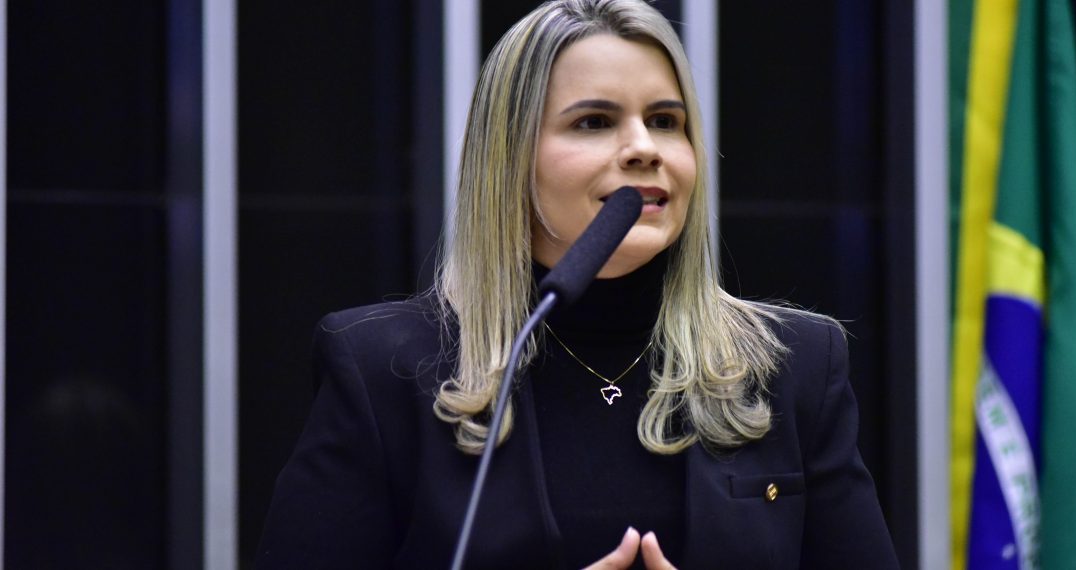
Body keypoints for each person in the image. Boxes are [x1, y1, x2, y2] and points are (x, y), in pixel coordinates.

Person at [256, 0, 900, 568]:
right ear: (510, 161)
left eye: (667, 121)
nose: (644, 147)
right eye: (594, 121)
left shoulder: (793, 365)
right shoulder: (381, 371)